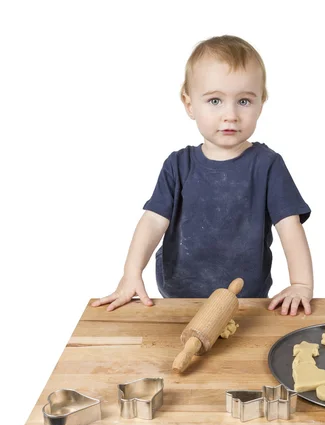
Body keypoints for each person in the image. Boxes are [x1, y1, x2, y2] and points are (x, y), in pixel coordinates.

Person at [92, 35, 313, 316]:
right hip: (178, 297)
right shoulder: (177, 165)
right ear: (189, 104)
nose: (230, 114)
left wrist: (301, 284)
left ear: (261, 103)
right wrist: (131, 274)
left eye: (244, 101)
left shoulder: (268, 165)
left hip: (244, 300)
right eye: (215, 101)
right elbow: (152, 222)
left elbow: (289, 226)